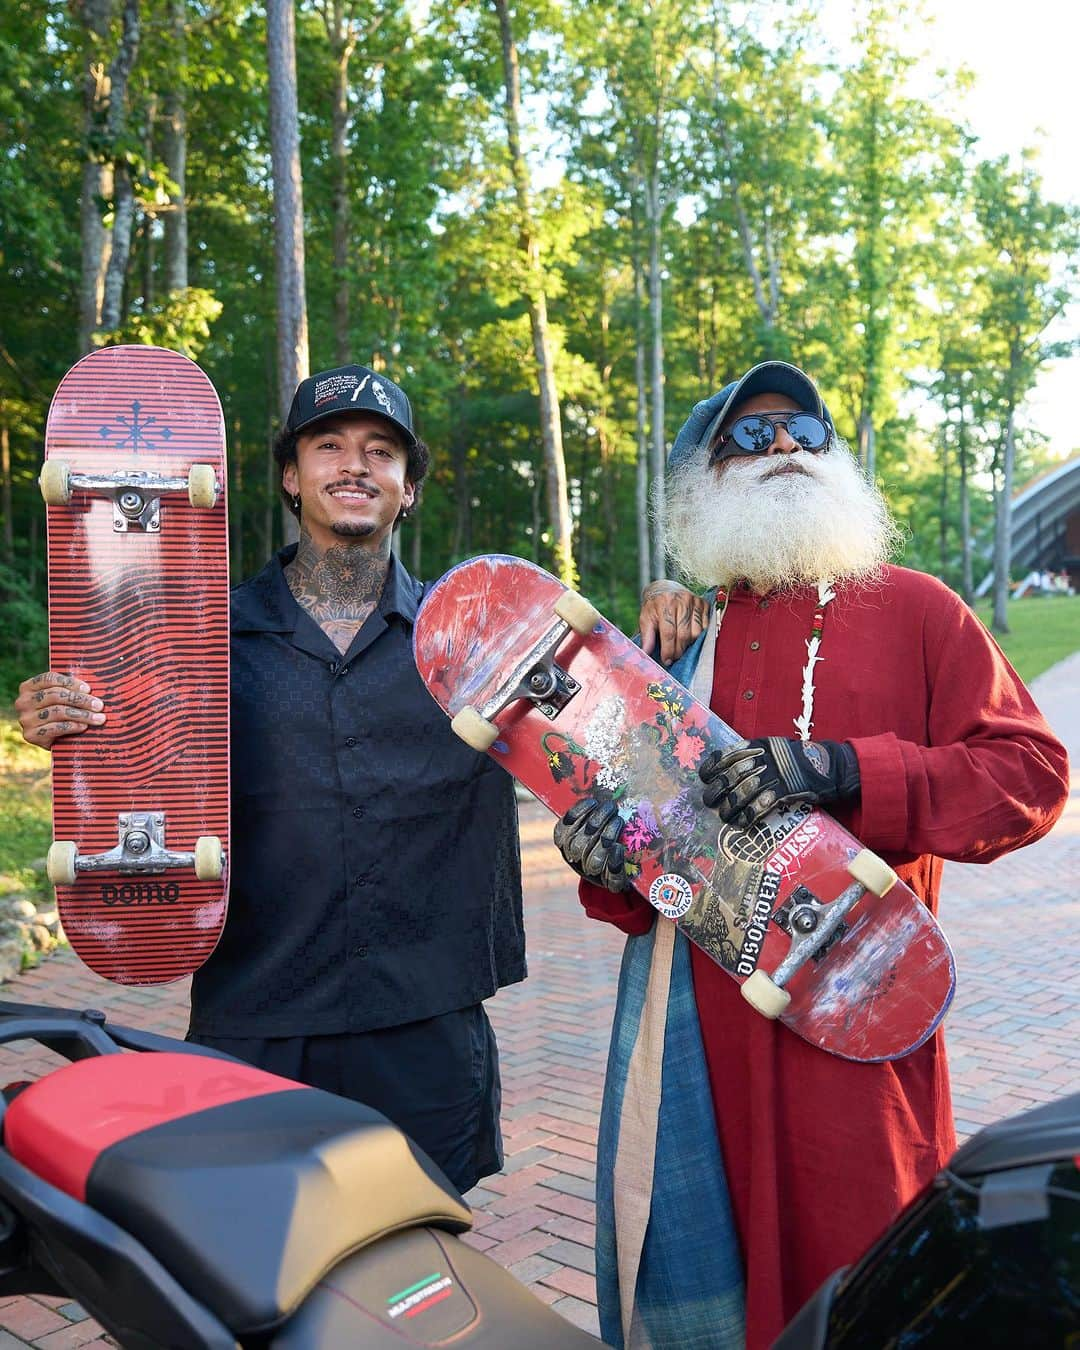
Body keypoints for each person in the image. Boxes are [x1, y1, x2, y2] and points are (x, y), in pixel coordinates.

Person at [553, 360, 1070, 1349]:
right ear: (704, 481)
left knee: (872, 1294)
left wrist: (846, 769)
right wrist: (600, 857)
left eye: (803, 429)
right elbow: (646, 857)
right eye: (749, 436)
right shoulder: (675, 649)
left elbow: (1032, 777)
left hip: (860, 1030)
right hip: (698, 1045)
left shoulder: (919, 608)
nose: (783, 444)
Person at [17, 363, 531, 1197]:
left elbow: (604, 706)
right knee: (256, 1270)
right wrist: (63, 720)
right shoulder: (199, 636)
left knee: (424, 1274)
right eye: (327, 446)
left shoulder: (473, 644)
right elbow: (123, 753)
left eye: (381, 450)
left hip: (425, 1021)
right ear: (293, 478)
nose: (354, 465)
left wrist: (679, 610)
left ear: (409, 489)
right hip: (257, 1014)